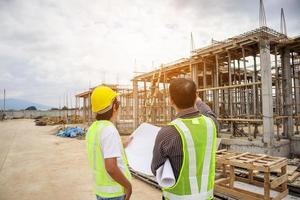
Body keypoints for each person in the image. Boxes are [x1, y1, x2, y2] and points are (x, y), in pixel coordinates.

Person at [151, 78, 218, 200]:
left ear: (171, 100)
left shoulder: (167, 132)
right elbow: (210, 114)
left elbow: (155, 168)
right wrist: (199, 102)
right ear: (196, 96)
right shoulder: (211, 125)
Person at [86, 86, 132, 200]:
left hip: (101, 191)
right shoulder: (109, 130)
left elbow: (101, 149)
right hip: (115, 193)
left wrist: (122, 145)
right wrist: (128, 186)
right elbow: (111, 167)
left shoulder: (93, 128)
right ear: (115, 107)